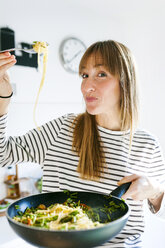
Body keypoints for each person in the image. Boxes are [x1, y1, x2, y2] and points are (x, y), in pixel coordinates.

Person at [0, 40, 165, 247]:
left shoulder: (147, 144)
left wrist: (155, 191)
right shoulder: (62, 129)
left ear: (126, 81)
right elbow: (3, 155)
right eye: (85, 75)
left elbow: (162, 211)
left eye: (101, 74)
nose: (86, 86)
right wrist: (2, 99)